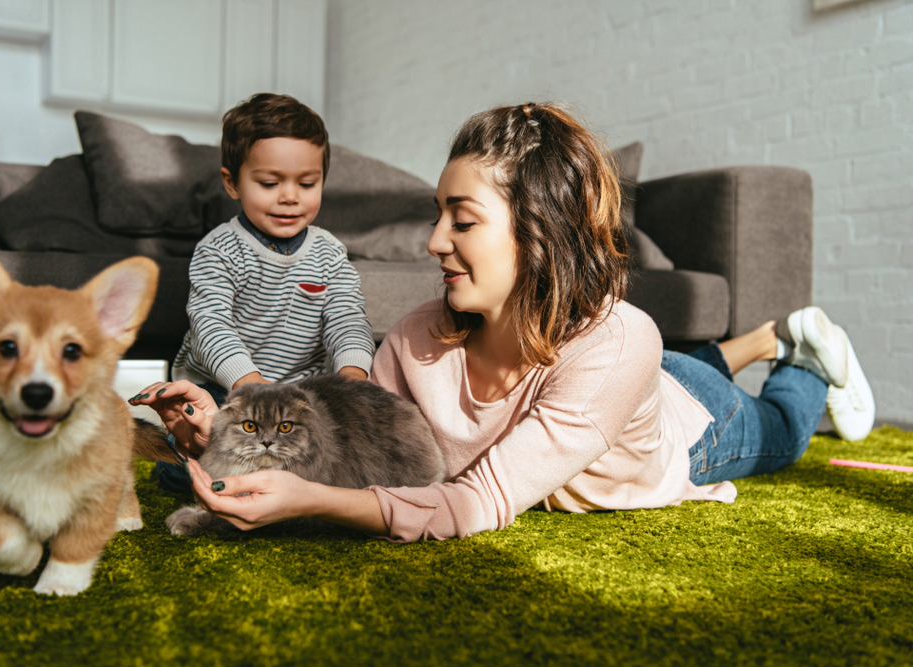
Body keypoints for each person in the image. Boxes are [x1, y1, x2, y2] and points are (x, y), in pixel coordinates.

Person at [132, 102, 875, 542]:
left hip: (689, 428)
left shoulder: (621, 341)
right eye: (437, 215)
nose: (433, 242)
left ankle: (803, 354)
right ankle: (754, 338)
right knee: (662, 363)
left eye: (462, 219)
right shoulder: (424, 331)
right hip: (613, 379)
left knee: (780, 430)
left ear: (539, 229)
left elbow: (479, 500)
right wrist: (225, 428)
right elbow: (338, 424)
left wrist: (318, 503)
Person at [155, 93, 376, 492]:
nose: (290, 196)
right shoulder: (219, 249)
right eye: (269, 183)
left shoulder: (329, 252)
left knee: (334, 449)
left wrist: (352, 376)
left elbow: (346, 317)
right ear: (232, 183)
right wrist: (248, 383)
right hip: (227, 387)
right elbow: (211, 324)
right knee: (196, 451)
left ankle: (285, 476)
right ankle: (188, 459)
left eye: (307, 183)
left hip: (297, 392)